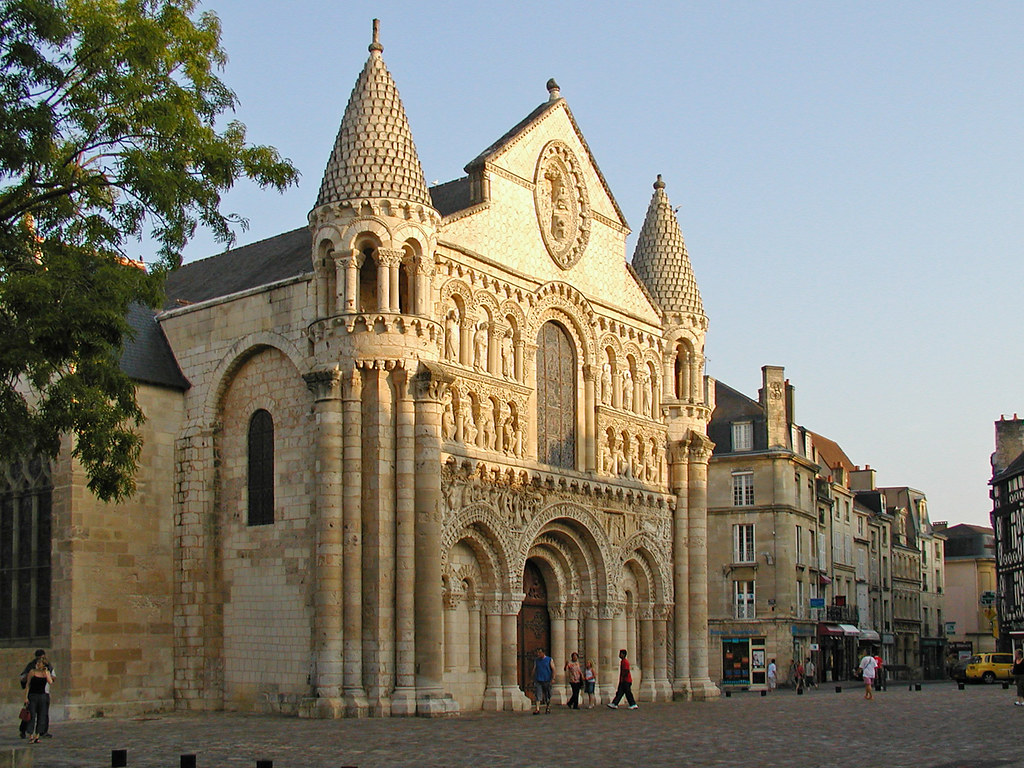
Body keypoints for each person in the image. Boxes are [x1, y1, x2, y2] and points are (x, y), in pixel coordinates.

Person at [18, 650, 53, 739]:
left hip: (43, 695)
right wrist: (26, 697)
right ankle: (27, 732)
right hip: (32, 695)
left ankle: (40, 733)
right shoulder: (31, 669)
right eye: (39, 659)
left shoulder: (48, 669)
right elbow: (26, 683)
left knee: (43, 715)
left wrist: (46, 673)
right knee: (30, 715)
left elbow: (51, 681)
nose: (40, 662)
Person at [532, 648, 554, 715]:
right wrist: (532, 677)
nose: (538, 654)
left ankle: (548, 707)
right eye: (537, 653)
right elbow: (534, 668)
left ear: (543, 653)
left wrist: (553, 678)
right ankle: (537, 709)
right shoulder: (537, 660)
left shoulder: (549, 659)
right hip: (538, 679)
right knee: (538, 694)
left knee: (547, 694)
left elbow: (553, 669)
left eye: (539, 653)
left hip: (547, 679)